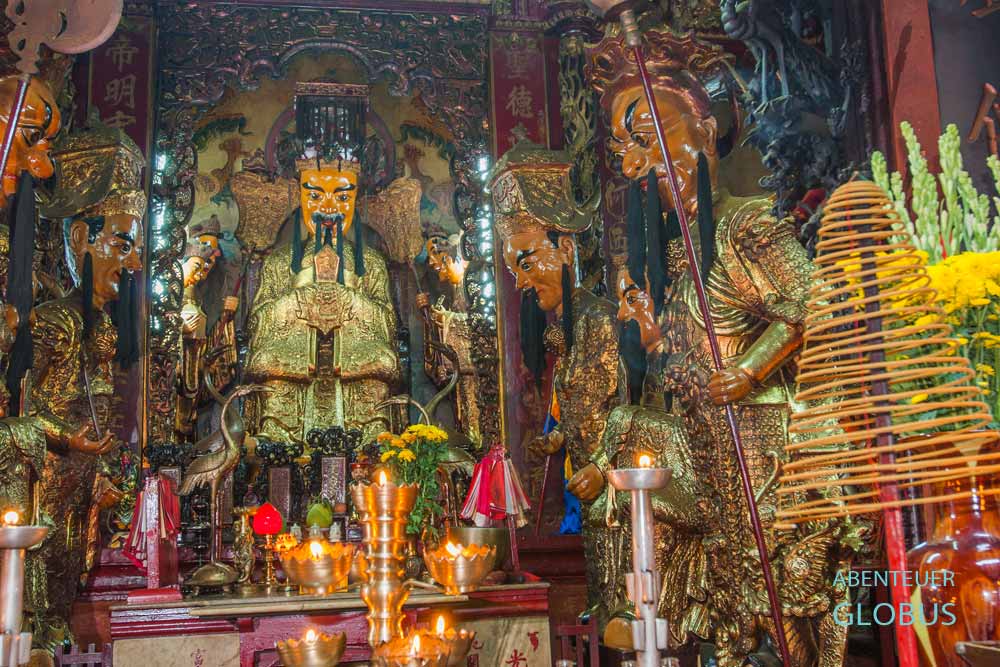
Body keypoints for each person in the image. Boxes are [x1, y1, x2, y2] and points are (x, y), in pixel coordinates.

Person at [243, 157, 400, 445]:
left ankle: (370, 442)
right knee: (266, 361)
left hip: (354, 361)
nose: (328, 208)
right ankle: (277, 438)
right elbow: (258, 322)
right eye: (315, 196)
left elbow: (388, 324)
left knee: (384, 362)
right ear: (300, 199)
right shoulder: (279, 262)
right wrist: (303, 289)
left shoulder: (372, 262)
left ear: (355, 201)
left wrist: (347, 295)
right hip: (295, 360)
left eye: (341, 197)